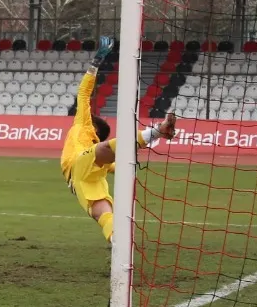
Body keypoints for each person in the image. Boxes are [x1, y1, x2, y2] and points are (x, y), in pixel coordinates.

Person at [62, 36, 178, 243]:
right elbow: (115, 162)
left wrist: (95, 63)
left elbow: (83, 94)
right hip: (82, 170)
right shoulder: (89, 134)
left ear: (94, 125)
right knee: (108, 150)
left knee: (104, 215)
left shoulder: (83, 126)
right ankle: (158, 131)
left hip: (82, 176)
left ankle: (118, 243)